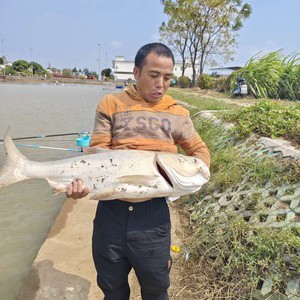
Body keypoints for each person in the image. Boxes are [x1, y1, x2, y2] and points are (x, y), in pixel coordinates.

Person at [66, 42, 211, 300]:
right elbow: (99, 152)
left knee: (156, 290)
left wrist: (190, 180)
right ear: (136, 72)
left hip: (152, 218)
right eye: (154, 75)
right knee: (112, 289)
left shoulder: (177, 112)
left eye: (167, 78)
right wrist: (82, 185)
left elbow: (199, 151)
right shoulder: (111, 103)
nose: (161, 84)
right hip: (111, 215)